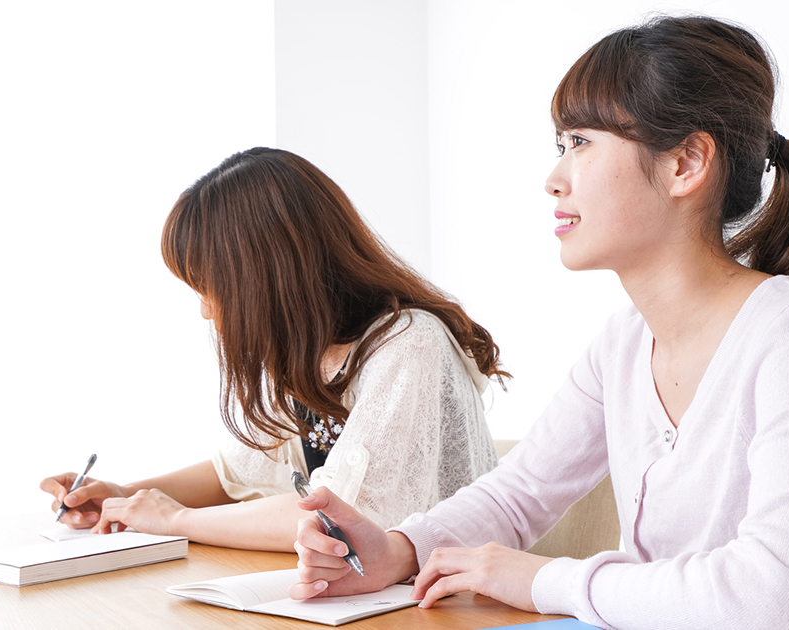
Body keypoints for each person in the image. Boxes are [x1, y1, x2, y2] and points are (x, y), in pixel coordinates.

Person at [288, 16, 789, 629]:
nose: (554, 177)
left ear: (685, 163)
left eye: (580, 142)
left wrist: (548, 580)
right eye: (560, 143)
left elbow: (787, 604)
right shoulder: (624, 344)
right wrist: (398, 550)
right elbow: (520, 493)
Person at [40, 147, 506, 550]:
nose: (206, 311)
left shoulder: (409, 343)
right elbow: (234, 474)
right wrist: (123, 496)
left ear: (267, 277)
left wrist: (176, 520)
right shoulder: (311, 355)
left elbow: (343, 517)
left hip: (452, 604)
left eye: (210, 288)